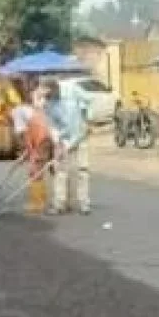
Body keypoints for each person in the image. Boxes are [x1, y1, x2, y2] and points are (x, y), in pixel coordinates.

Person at [44, 78, 90, 216]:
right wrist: (57, 141)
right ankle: (59, 204)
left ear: (56, 88)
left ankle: (83, 203)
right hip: (64, 139)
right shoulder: (49, 104)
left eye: (50, 93)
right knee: (60, 171)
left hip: (80, 135)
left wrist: (88, 117)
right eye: (47, 95)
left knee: (82, 170)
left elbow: (89, 101)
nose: (49, 97)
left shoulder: (72, 89)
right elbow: (52, 125)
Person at [11, 96, 54, 215]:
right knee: (46, 169)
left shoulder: (16, 114)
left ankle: (37, 203)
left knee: (34, 171)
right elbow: (29, 137)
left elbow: (25, 137)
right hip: (48, 136)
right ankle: (45, 199)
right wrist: (25, 155)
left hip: (41, 138)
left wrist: (28, 154)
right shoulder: (24, 110)